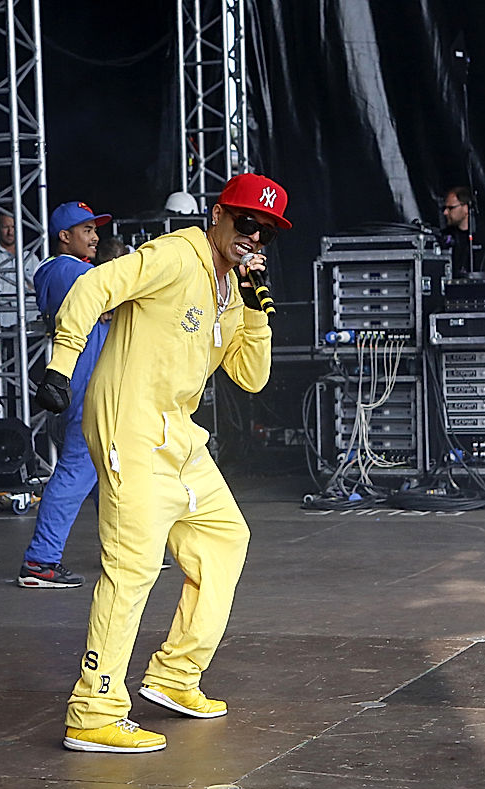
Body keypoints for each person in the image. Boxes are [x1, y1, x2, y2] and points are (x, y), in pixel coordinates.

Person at [35, 173, 291, 753]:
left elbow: (252, 376)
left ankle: (175, 676)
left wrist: (257, 308)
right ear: (220, 215)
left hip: (179, 437)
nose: (254, 236)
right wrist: (62, 362)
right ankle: (94, 709)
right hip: (131, 428)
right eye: (247, 222)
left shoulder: (231, 289)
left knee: (226, 538)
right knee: (133, 568)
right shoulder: (176, 256)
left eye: (267, 232)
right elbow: (94, 288)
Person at [17, 201, 112, 589]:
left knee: (106, 475)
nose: (95, 237)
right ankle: (41, 561)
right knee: (77, 471)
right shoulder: (64, 269)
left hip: (88, 385)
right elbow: (117, 290)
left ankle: (124, 550)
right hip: (84, 387)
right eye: (87, 230)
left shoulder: (76, 271)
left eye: (95, 230)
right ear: (64, 236)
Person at [0, 206, 42, 328]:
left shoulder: (30, 256)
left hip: (33, 322)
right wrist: (27, 288)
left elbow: (41, 289)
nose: (10, 232)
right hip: (4, 325)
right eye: (5, 227)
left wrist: (8, 291)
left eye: (13, 227)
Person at [440, 185, 485, 276]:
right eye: (445, 208)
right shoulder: (446, 237)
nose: (445, 212)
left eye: (450, 208)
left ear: (466, 208)